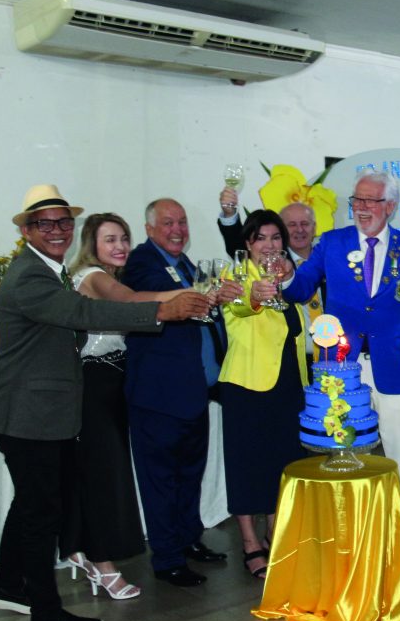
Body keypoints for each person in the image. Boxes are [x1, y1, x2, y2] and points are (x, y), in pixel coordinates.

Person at [0, 185, 211, 621]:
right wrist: (164, 310)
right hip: (31, 414)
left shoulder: (51, 271)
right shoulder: (32, 276)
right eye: (45, 224)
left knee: (30, 504)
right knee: (42, 513)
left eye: (64, 222)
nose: (57, 231)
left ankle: (6, 586)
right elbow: (83, 313)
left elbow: (34, 337)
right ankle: (46, 617)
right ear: (26, 231)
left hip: (37, 406)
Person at [280, 169, 400, 582]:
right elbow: (300, 287)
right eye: (357, 200)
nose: (362, 208)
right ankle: (347, 549)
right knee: (342, 457)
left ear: (391, 206)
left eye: (371, 201)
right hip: (342, 370)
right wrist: (285, 274)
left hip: (394, 369)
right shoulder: (331, 242)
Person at [59, 213, 191, 600]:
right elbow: (131, 302)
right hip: (94, 384)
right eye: (110, 239)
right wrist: (189, 293)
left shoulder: (108, 276)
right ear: (92, 244)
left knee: (101, 473)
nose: (120, 246)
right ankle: (102, 564)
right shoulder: (92, 276)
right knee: (104, 476)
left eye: (123, 239)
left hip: (112, 381)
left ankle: (80, 548)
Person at [122, 198, 243, 587]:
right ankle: (167, 558)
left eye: (183, 222)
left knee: (189, 475)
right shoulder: (141, 262)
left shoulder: (186, 264)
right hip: (159, 395)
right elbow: (170, 297)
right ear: (149, 229)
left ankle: (189, 539)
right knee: (161, 480)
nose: (178, 230)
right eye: (168, 223)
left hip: (193, 392)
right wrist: (213, 291)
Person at [220, 210, 308, 577]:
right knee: (246, 466)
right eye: (261, 238)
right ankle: (249, 542)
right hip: (247, 384)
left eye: (275, 237)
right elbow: (240, 305)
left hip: (288, 384)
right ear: (248, 243)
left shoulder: (288, 277)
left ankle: (274, 533)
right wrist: (255, 296)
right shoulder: (236, 276)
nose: (269, 245)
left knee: (281, 463)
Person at [220, 196, 324, 368]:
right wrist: (254, 297)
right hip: (259, 369)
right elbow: (239, 304)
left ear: (314, 227)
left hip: (315, 362)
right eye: (292, 224)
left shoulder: (315, 264)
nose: (299, 230)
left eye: (305, 223)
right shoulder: (243, 273)